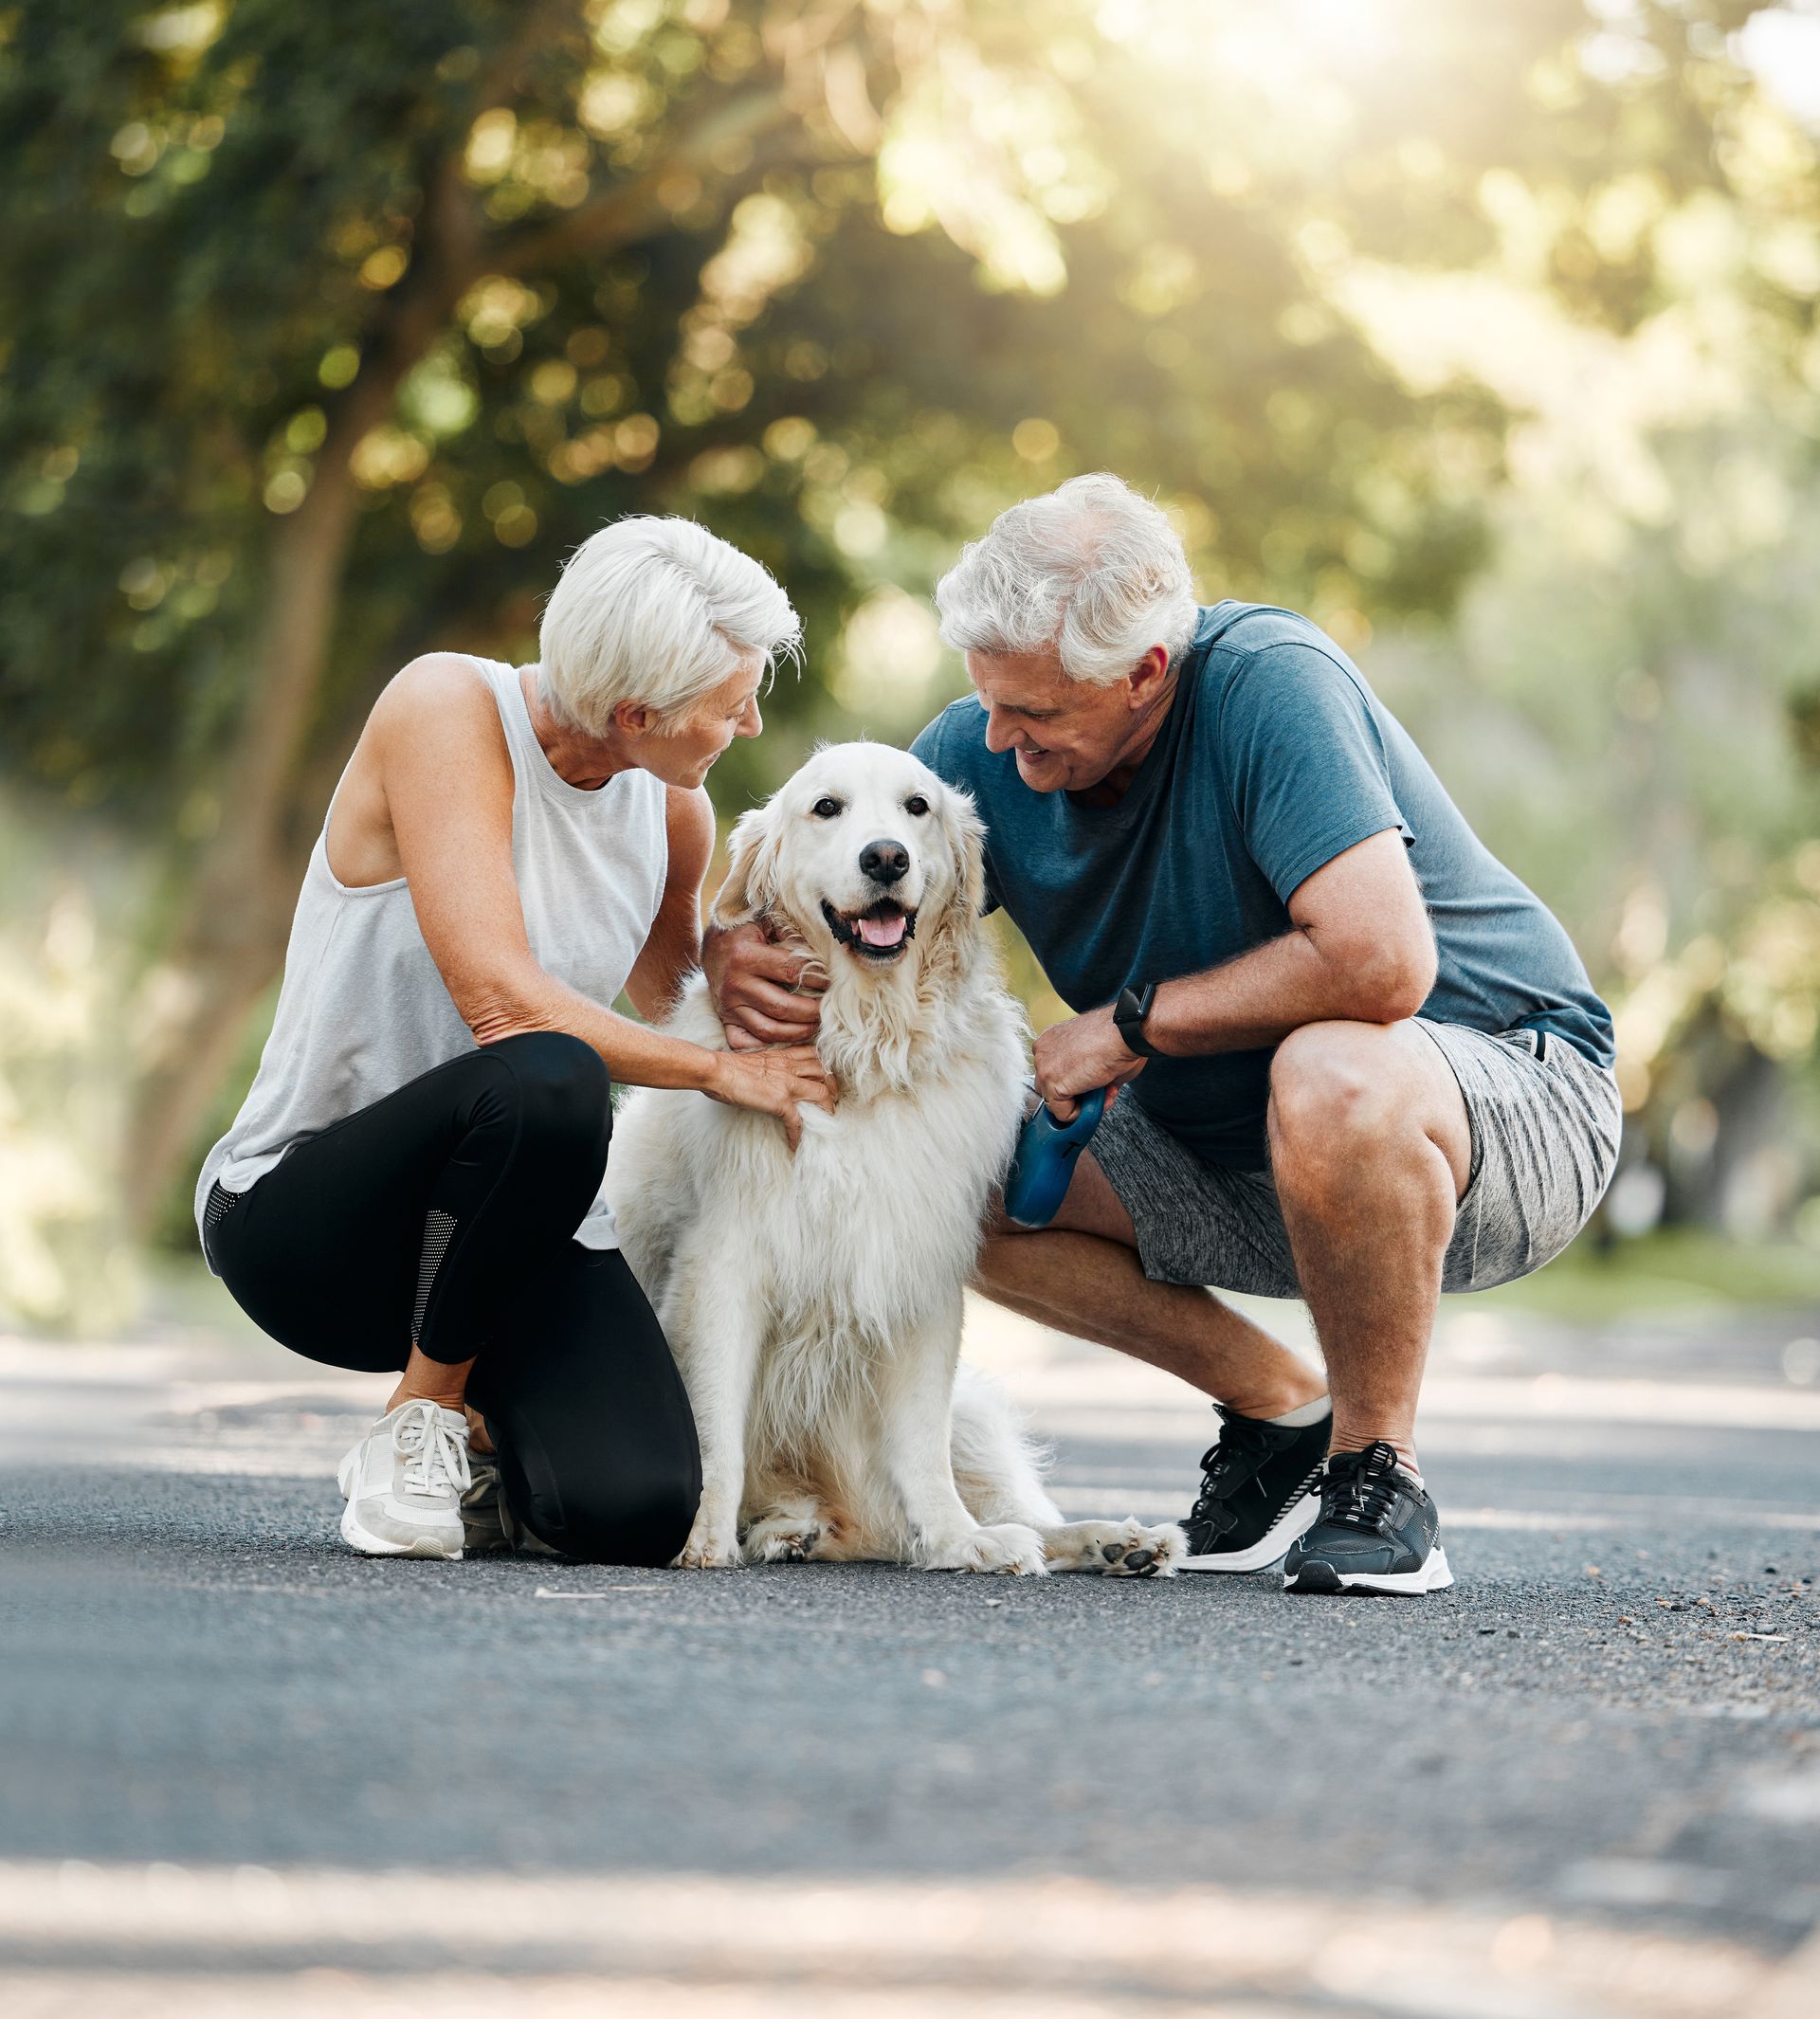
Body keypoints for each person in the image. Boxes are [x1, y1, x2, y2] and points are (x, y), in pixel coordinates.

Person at [707, 474, 1620, 1597]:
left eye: (1034, 714)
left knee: (1331, 1068)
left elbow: (1383, 963)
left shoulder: (1267, 686)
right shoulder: (987, 741)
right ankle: (1281, 1408)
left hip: (1498, 1110)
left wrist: (1130, 1027)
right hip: (1239, 1144)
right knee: (956, 1181)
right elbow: (834, 868)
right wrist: (726, 950)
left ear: (1145, 673)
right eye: (988, 701)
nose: (997, 739)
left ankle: (1378, 1472)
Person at [194, 518, 834, 1565]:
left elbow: (667, 990)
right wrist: (727, 1070)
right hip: (313, 1228)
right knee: (550, 1074)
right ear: (636, 713)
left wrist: (722, 964)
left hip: (509, 1237)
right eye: (732, 705)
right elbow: (504, 1001)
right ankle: (421, 1422)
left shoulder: (675, 811)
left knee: (633, 1512)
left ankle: (495, 1449)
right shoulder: (444, 706)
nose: (752, 724)